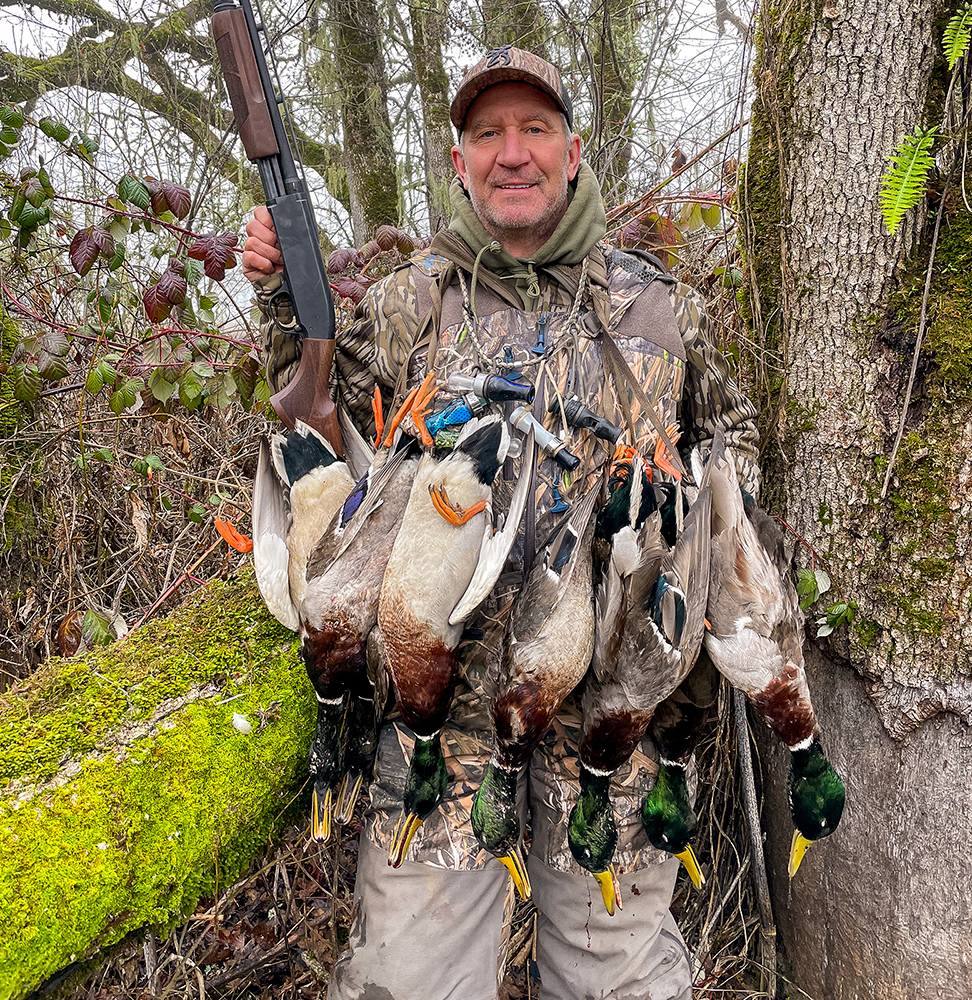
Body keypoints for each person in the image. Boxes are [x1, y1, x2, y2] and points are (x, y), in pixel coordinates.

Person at [243, 45, 759, 1000]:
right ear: (458, 161)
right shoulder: (406, 305)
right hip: (441, 718)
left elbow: (731, 441)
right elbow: (314, 423)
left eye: (533, 129)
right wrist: (286, 291)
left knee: (620, 982)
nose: (510, 153)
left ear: (573, 149)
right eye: (487, 133)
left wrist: (704, 546)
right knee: (410, 980)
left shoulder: (656, 308)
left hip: (614, 722)